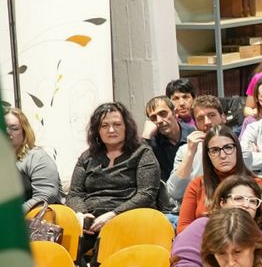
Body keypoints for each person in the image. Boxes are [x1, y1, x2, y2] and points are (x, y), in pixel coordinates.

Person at [66, 101, 163, 243]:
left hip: (129, 219)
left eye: (117, 124)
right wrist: (81, 213)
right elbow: (74, 193)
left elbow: (146, 194)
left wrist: (114, 214)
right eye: (104, 125)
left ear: (126, 127)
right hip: (90, 222)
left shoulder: (142, 153)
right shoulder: (87, 157)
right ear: (97, 130)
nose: (111, 130)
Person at [9, 108, 62, 214]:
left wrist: (13, 215)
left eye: (14, 128)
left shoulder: (37, 157)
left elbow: (45, 196)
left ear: (24, 132)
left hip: (38, 217)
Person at [142, 95, 192, 186]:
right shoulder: (152, 143)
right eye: (153, 118)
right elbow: (140, 171)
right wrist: (145, 137)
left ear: (175, 113)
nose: (159, 120)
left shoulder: (192, 133)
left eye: (163, 114)